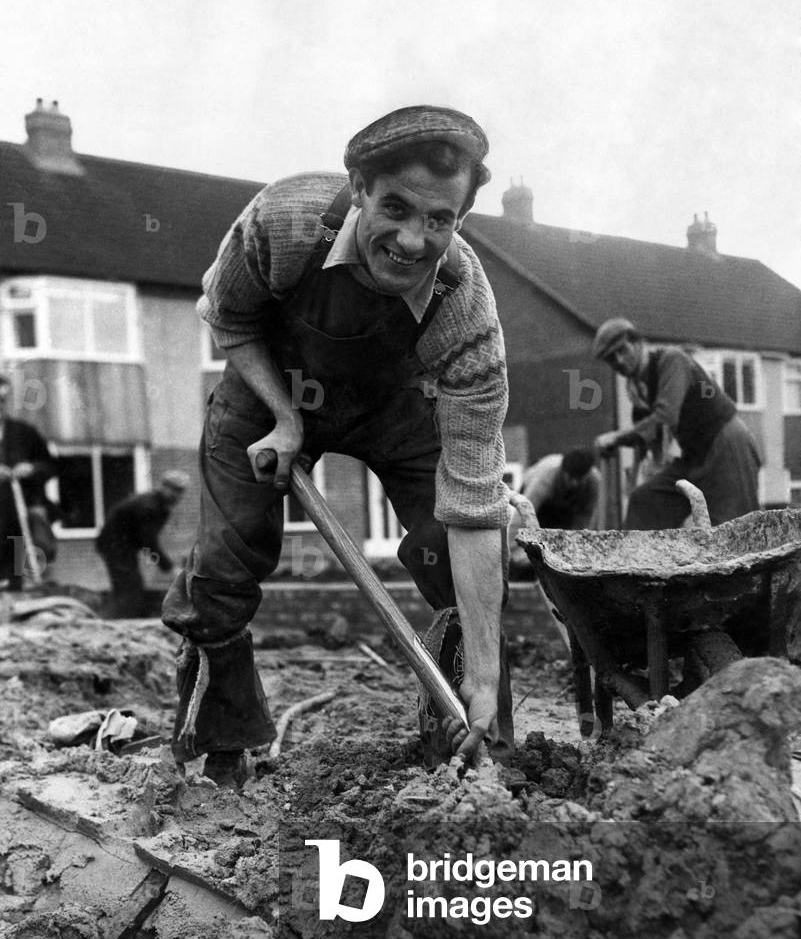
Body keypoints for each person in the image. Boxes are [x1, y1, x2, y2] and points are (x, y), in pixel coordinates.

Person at [162, 105, 513, 786]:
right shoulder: (283, 223)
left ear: (459, 221)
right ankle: (222, 750)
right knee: (226, 565)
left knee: (456, 546)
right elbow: (228, 317)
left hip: (394, 406)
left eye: (439, 219)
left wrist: (490, 669)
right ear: (358, 189)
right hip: (268, 384)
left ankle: (472, 730)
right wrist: (284, 419)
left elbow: (473, 502)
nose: (413, 239)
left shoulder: (464, 315)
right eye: (396, 207)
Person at [592, 318, 761, 529]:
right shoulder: (636, 388)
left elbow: (665, 417)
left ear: (638, 343)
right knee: (643, 500)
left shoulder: (672, 360)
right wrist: (638, 473)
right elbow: (649, 437)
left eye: (622, 350)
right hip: (694, 456)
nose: (619, 361)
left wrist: (616, 437)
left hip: (726, 445)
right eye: (611, 359)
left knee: (735, 530)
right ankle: (637, 561)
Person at [97, 471, 190, 617]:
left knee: (130, 585)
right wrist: (169, 567)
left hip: (122, 546)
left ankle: (123, 618)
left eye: (180, 491)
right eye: (173, 489)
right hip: (115, 546)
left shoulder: (158, 505)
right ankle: (123, 622)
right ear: (162, 486)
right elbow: (148, 542)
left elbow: (146, 542)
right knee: (130, 588)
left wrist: (163, 564)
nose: (177, 495)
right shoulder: (150, 507)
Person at [0, 373, 57, 590]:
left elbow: (51, 465)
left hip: (18, 521)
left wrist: (31, 468)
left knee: (17, 580)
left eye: (3, 400)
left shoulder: (23, 433)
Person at [508, 448, 600, 574]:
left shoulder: (594, 481)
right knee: (524, 562)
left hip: (565, 509)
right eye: (571, 477)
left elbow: (584, 518)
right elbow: (521, 515)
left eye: (579, 479)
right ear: (564, 471)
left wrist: (574, 551)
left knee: (562, 555)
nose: (574, 483)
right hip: (536, 507)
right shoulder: (545, 478)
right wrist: (514, 552)